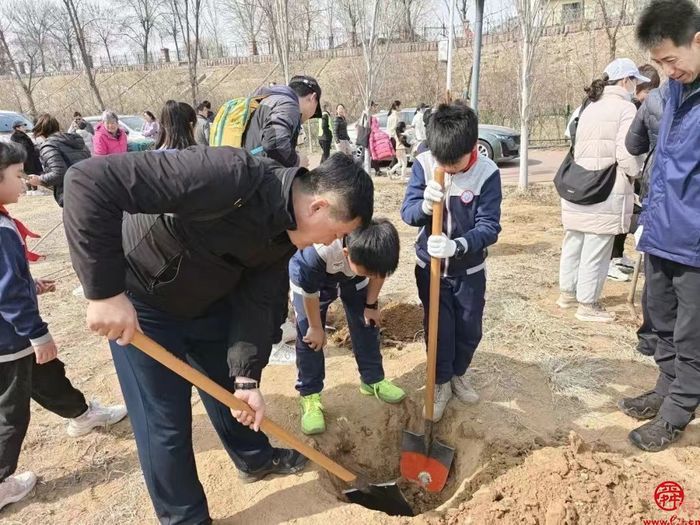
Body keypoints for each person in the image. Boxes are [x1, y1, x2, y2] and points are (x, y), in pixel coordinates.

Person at [62, 149, 373, 524]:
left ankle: (254, 459)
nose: (330, 243)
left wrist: (247, 375)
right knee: (165, 420)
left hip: (208, 302)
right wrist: (105, 292)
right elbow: (88, 181)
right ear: (318, 208)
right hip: (144, 300)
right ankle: (185, 517)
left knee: (231, 391)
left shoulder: (285, 236)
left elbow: (259, 301)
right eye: (336, 234)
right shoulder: (230, 176)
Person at [0, 142, 127, 511]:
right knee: (11, 410)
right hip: (10, 341)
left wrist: (31, 283)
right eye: (17, 176)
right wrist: (37, 333)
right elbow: (7, 295)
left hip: (13, 337)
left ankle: (81, 414)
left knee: (47, 376)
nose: (24, 183)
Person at [617, 0, 700, 453]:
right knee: (662, 323)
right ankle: (666, 390)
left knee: (692, 336)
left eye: (672, 59)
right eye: (658, 63)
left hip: (696, 244)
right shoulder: (672, 94)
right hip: (663, 233)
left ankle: (677, 413)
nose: (667, 71)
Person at [401, 102, 502, 421]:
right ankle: (441, 381)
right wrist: (425, 208)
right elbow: (408, 212)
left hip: (468, 271)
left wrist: (458, 245)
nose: (448, 169)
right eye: (442, 162)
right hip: (429, 271)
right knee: (439, 330)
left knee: (469, 330)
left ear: (472, 145)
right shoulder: (425, 163)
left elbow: (489, 227)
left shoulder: (487, 173)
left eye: (455, 164)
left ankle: (459, 373)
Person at [289, 217, 406, 435]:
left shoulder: (373, 251)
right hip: (311, 284)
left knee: (367, 323)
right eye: (367, 272)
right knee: (309, 337)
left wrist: (371, 305)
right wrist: (316, 327)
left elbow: (377, 273)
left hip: (351, 278)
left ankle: (372, 380)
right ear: (346, 255)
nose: (374, 276)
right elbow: (309, 293)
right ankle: (310, 396)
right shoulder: (318, 252)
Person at [556, 59, 646, 322]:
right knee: (597, 247)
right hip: (605, 189)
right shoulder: (625, 108)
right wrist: (639, 172)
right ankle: (588, 304)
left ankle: (567, 296)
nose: (635, 86)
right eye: (634, 81)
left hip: (578, 186)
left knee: (574, 241)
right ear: (625, 81)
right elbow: (627, 153)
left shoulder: (588, 104)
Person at [607, 63, 662, 283]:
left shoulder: (637, 107)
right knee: (621, 218)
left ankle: (617, 256)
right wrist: (637, 172)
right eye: (647, 91)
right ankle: (610, 260)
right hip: (620, 175)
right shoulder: (627, 108)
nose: (649, 96)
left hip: (634, 175)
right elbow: (631, 148)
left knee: (624, 216)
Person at [624, 70, 665, 359]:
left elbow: (633, 145)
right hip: (670, 196)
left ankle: (650, 338)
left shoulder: (654, 101)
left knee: (657, 270)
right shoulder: (659, 99)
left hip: (657, 190)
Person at [244, 75, 322, 169]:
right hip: (256, 173)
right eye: (316, 109)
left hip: (247, 167)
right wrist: (297, 161)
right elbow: (275, 144)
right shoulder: (289, 106)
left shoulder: (269, 100)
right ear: (313, 98)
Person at [27, 114, 90, 208]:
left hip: (74, 196)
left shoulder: (49, 146)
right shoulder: (75, 140)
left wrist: (39, 179)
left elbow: (59, 173)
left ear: (40, 131)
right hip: (92, 190)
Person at [9, 121, 41, 196]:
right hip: (26, 158)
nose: (24, 128)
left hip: (26, 158)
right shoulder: (17, 136)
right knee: (30, 173)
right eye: (22, 126)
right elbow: (24, 147)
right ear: (17, 128)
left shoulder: (21, 135)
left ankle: (30, 190)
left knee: (27, 173)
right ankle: (33, 190)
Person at [368, 107, 395, 176]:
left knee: (374, 155)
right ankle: (377, 170)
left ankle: (377, 170)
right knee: (374, 155)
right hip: (371, 136)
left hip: (373, 136)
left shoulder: (372, 117)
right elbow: (373, 127)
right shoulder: (370, 117)